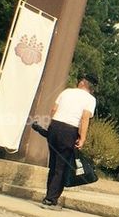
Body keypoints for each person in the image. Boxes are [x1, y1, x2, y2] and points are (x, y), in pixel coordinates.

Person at [31, 74, 96, 207]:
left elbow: (53, 109)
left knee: (53, 164)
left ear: (82, 83)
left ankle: (49, 194)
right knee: (62, 166)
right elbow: (84, 118)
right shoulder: (90, 99)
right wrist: (82, 138)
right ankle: (51, 199)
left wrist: (53, 126)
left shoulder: (66, 92)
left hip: (55, 126)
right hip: (69, 130)